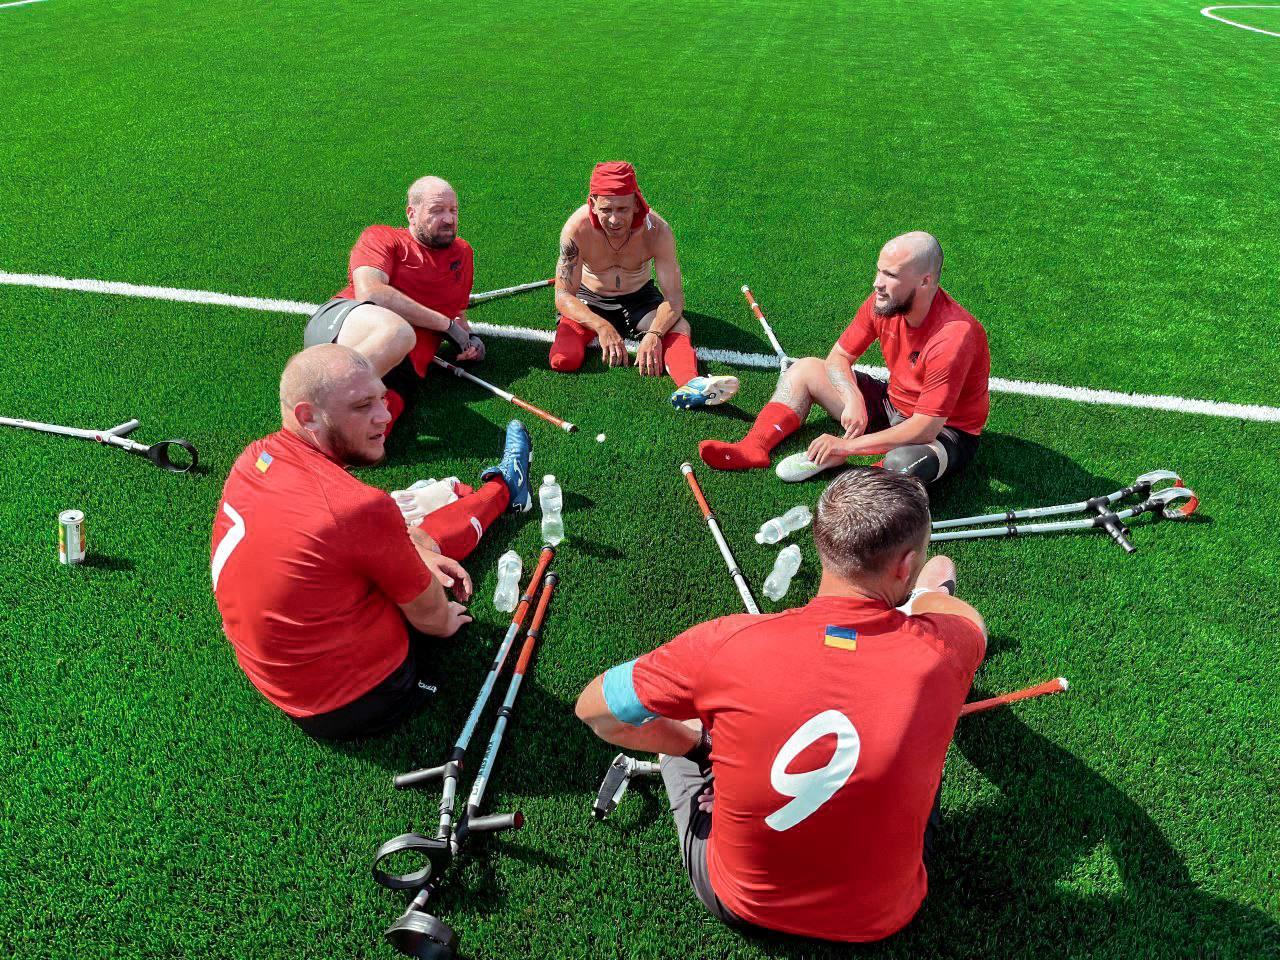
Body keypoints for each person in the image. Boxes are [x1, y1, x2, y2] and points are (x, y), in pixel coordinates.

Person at [575, 469, 988, 943]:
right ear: (905, 564)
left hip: (744, 903)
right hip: (882, 918)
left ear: (822, 544)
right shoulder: (947, 648)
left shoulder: (724, 644)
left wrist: (697, 746)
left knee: (688, 710)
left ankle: (704, 757)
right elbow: (950, 589)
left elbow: (593, 709)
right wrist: (926, 593)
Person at [210, 344, 532, 741]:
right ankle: (505, 488)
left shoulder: (256, 457)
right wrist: (445, 619)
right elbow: (431, 617)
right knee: (412, 539)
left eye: (382, 397)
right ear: (308, 416)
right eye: (363, 406)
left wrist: (408, 548)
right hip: (359, 699)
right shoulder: (355, 509)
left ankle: (483, 498)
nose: (385, 415)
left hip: (271, 674)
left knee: (399, 536)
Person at [699, 232, 990, 484]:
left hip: (945, 432)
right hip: (894, 403)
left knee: (900, 464)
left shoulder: (954, 336)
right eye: (879, 271)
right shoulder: (883, 303)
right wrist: (853, 398)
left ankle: (857, 476)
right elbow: (838, 357)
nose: (877, 283)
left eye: (890, 275)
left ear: (925, 281)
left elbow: (925, 427)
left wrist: (846, 446)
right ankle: (754, 447)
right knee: (804, 370)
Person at [302, 176, 484, 439]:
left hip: (406, 367)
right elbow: (371, 293)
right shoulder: (382, 237)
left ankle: (320, 430)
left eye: (453, 210)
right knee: (397, 332)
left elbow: (458, 314)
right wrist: (445, 325)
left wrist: (472, 341)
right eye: (437, 210)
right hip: (344, 325)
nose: (448, 219)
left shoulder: (463, 253)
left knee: (368, 436)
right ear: (412, 213)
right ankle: (317, 398)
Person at [550, 161, 739, 410]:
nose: (614, 219)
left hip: (638, 297)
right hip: (590, 298)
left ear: (637, 203)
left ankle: (691, 384)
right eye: (606, 209)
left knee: (679, 325)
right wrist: (601, 326)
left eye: (623, 209)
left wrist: (655, 334)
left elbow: (674, 299)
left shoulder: (657, 231)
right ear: (593, 203)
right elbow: (563, 295)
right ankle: (590, 330)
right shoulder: (576, 229)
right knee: (563, 360)